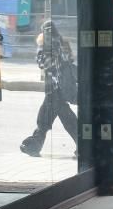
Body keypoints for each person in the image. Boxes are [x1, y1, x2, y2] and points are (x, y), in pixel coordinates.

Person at [20, 20, 78, 157]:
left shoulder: (46, 46)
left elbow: (44, 65)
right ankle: (34, 145)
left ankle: (34, 145)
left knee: (46, 119)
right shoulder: (63, 43)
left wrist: (44, 49)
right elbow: (70, 60)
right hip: (64, 88)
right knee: (62, 118)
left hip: (54, 89)